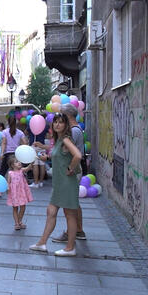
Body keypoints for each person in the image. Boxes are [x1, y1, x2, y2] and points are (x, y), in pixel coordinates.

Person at [30, 113, 82, 257]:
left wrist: (70, 168)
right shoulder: (58, 140)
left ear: (66, 125)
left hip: (67, 184)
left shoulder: (65, 139)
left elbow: (77, 155)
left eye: (61, 122)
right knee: (51, 212)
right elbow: (58, 155)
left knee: (69, 215)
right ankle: (42, 243)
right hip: (59, 184)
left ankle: (70, 247)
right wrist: (46, 157)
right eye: (55, 122)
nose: (57, 125)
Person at [51, 103, 87, 242]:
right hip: (72, 170)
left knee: (70, 206)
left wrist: (69, 168)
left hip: (72, 172)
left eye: (62, 115)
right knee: (73, 203)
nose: (58, 120)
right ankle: (78, 231)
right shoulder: (74, 130)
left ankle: (73, 232)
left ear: (68, 116)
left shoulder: (73, 131)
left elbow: (74, 154)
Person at [0, 116, 27, 197]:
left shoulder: (4, 132)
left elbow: (3, 143)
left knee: (2, 172)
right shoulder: (20, 132)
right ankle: (19, 190)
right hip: (16, 154)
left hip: (7, 154)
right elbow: (25, 143)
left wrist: (2, 153)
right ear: (16, 122)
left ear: (8, 122)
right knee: (18, 172)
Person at [6, 156, 33, 230]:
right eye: (17, 162)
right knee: (15, 208)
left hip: (21, 192)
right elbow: (8, 182)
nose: (19, 163)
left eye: (19, 162)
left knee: (23, 207)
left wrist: (31, 163)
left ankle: (20, 220)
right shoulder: (10, 173)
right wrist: (8, 188)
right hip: (14, 193)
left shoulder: (22, 170)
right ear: (12, 165)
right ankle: (17, 223)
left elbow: (28, 168)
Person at [29, 112, 49, 189]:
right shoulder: (45, 125)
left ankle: (36, 182)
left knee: (35, 164)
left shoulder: (30, 124)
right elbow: (48, 135)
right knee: (42, 163)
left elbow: (27, 132)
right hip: (42, 145)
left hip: (33, 145)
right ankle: (41, 182)